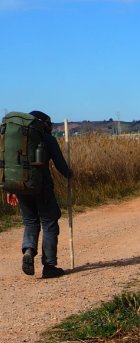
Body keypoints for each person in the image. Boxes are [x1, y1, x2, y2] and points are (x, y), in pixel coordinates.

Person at [5, 111, 73, 279]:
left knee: (30, 222)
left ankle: (29, 249)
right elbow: (61, 165)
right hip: (42, 188)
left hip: (20, 186)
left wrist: (11, 189)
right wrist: (70, 174)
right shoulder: (47, 138)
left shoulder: (18, 139)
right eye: (49, 124)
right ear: (44, 123)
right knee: (49, 222)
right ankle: (49, 266)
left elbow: (11, 165)